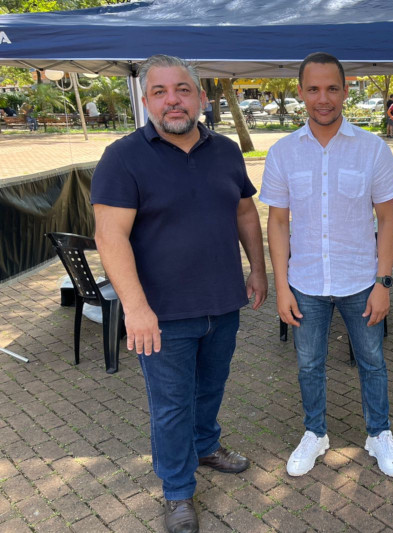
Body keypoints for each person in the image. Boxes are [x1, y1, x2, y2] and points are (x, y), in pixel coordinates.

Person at [91, 54, 268, 533]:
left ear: (201, 97)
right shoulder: (123, 157)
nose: (173, 100)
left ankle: (206, 446)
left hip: (222, 303)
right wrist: (136, 308)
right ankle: (176, 491)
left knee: (210, 389)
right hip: (162, 314)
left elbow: (245, 214)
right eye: (160, 92)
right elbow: (110, 237)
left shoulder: (227, 151)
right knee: (171, 406)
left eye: (183, 89)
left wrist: (258, 270)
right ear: (146, 100)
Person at [260, 52, 393, 479]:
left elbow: (387, 218)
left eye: (331, 88)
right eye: (313, 89)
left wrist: (384, 282)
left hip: (361, 279)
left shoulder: (372, 149)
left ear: (345, 90)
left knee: (372, 361)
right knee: (308, 364)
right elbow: (279, 222)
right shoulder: (284, 153)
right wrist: (282, 287)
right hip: (305, 282)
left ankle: (379, 434)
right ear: (301, 92)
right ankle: (315, 433)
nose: (323, 98)